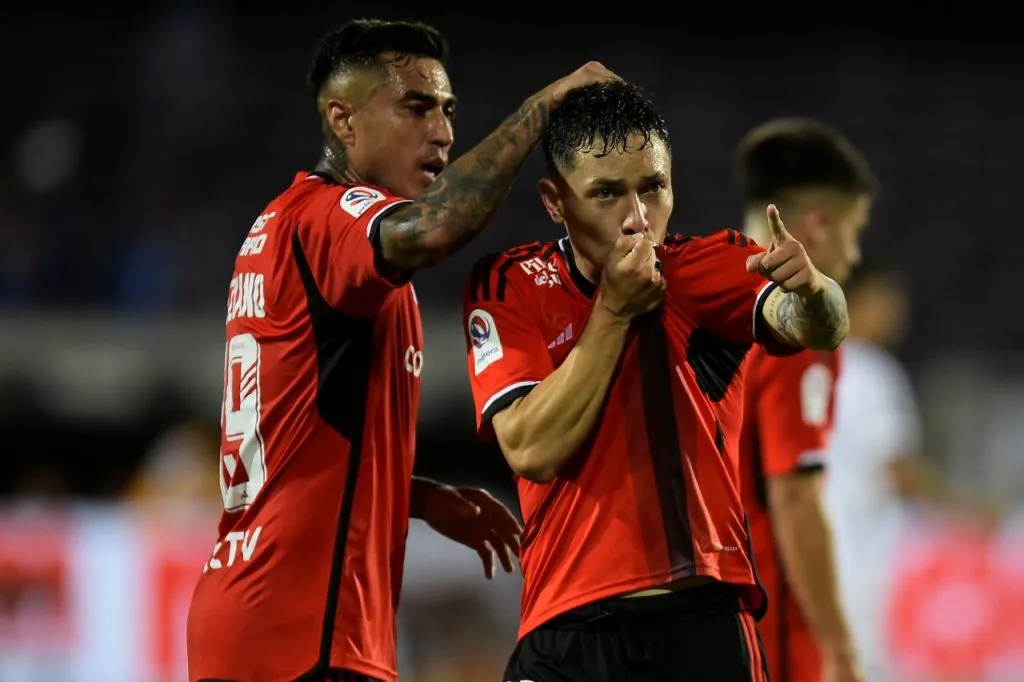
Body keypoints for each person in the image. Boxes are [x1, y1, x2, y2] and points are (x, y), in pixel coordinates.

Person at [185, 18, 617, 682]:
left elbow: (296, 440)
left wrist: (412, 495)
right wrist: (541, 109)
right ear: (344, 121)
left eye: (448, 110)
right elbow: (436, 228)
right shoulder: (329, 217)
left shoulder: (282, 227)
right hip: (304, 631)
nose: (442, 131)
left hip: (251, 610)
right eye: (416, 108)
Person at [461, 81, 849, 682]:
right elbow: (530, 448)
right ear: (555, 201)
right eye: (606, 193)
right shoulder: (511, 284)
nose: (638, 218)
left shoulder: (704, 267)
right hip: (568, 632)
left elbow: (816, 324)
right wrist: (614, 312)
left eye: (653, 187)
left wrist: (815, 290)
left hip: (703, 623)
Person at [733, 118, 877, 682]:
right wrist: (839, 648)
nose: (855, 254)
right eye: (854, 230)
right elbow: (794, 496)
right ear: (818, 225)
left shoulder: (692, 294)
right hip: (763, 619)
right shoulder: (799, 320)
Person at [824, 265, 1002, 682]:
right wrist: (966, 512)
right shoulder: (871, 371)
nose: (898, 312)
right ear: (856, 300)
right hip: (861, 561)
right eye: (887, 299)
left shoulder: (798, 364)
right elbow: (899, 473)